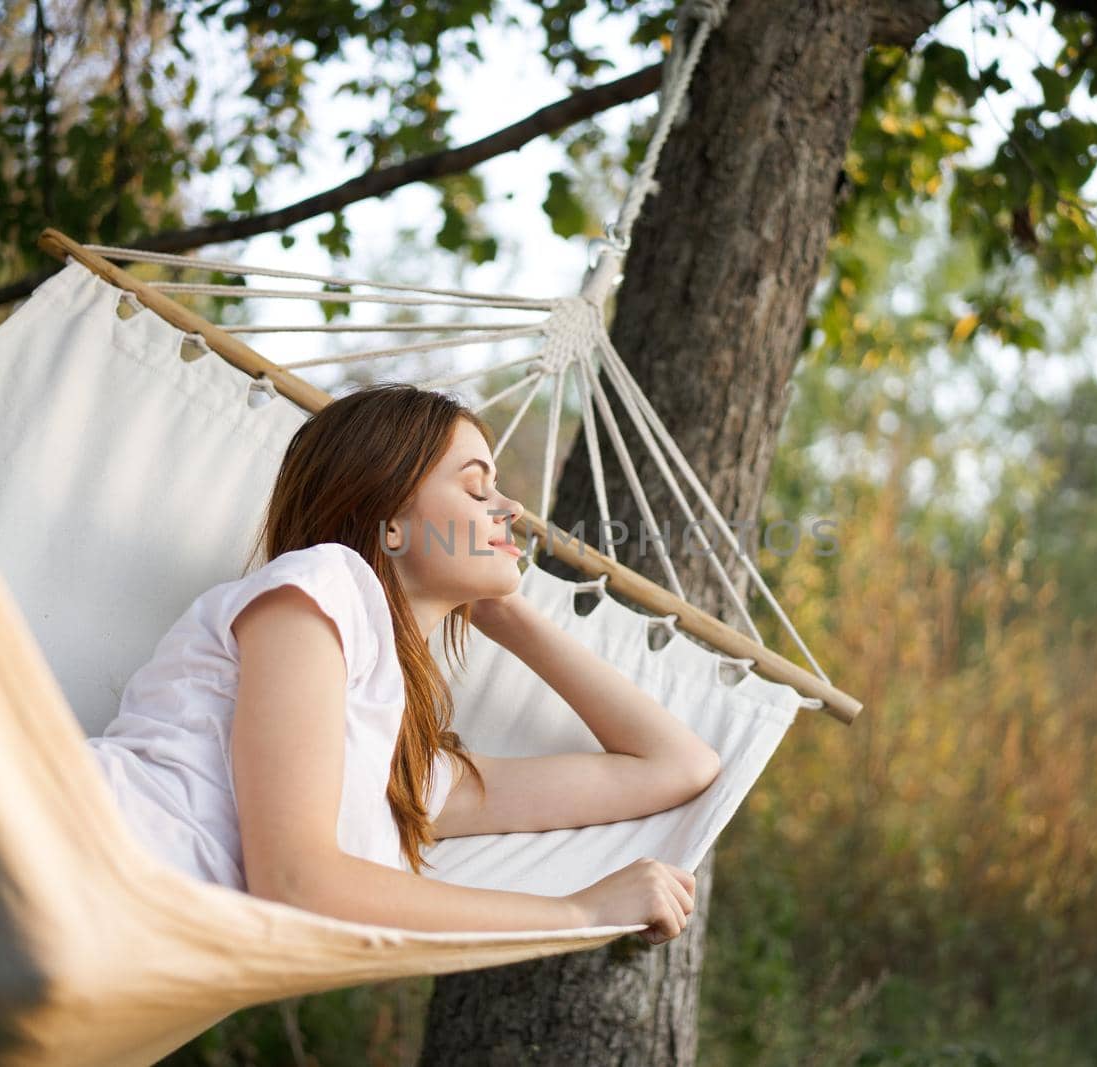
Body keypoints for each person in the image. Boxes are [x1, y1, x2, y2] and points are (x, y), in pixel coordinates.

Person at [86, 381, 720, 945]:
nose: (511, 509)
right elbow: (295, 880)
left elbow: (679, 766)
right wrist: (578, 914)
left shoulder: (408, 771)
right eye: (477, 487)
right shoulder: (319, 585)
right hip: (70, 844)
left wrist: (510, 614)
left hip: (116, 927)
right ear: (389, 523)